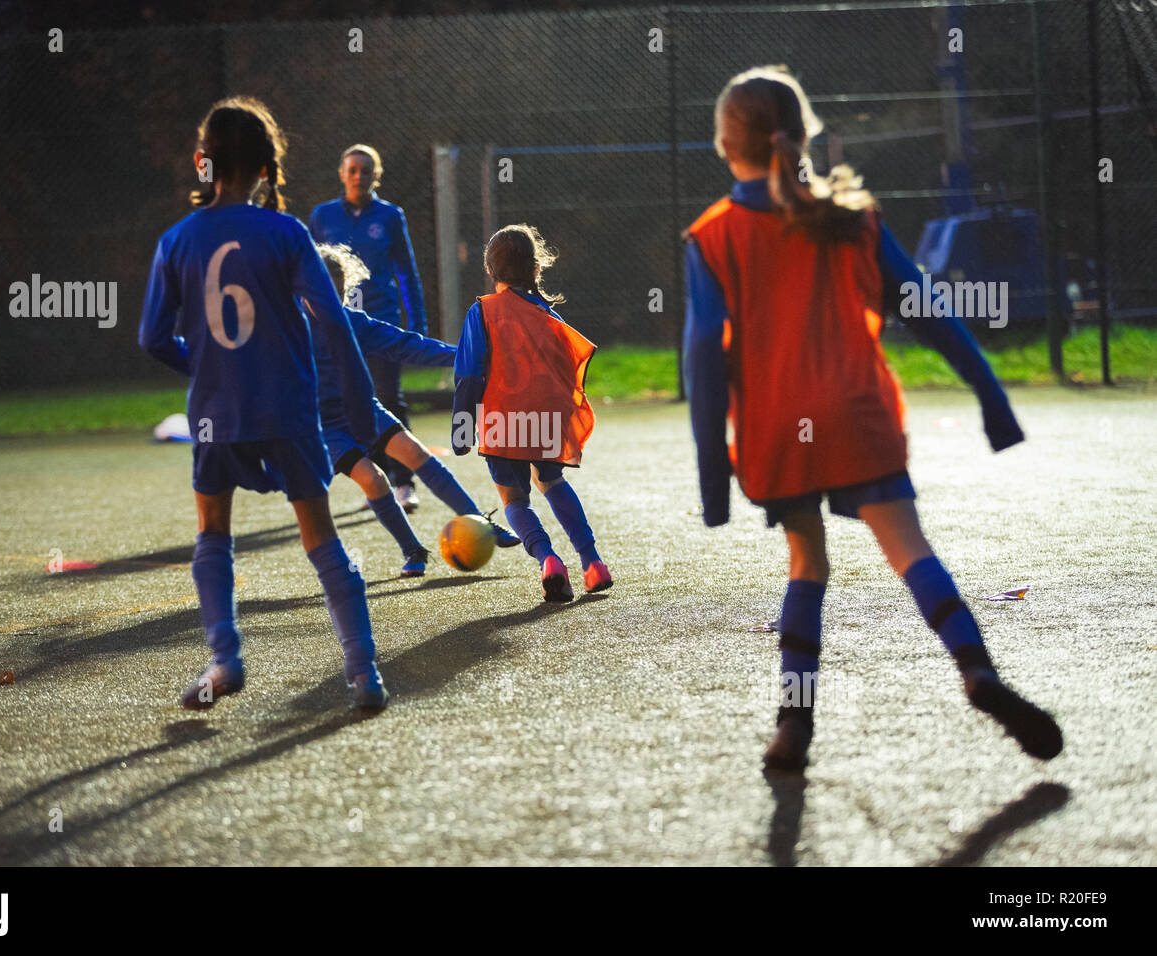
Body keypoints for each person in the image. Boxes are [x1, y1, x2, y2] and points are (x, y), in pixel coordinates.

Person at [684, 66, 1062, 770]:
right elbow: (929, 312)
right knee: (911, 551)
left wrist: (713, 481)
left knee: (808, 564)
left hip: (780, 432)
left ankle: (794, 723)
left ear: (725, 146)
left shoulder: (711, 237)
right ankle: (979, 672)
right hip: (860, 418)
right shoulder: (854, 219)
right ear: (801, 137)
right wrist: (992, 397)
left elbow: (704, 355)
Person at [139, 97, 387, 711]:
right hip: (288, 411)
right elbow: (334, 322)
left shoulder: (176, 240)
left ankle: (225, 660)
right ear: (267, 166)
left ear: (205, 163)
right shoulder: (287, 232)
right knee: (320, 537)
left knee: (213, 533)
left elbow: (150, 337)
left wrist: (203, 366)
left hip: (214, 415)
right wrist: (360, 408)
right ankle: (363, 674)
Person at [309, 243, 519, 578]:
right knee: (374, 479)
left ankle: (480, 521)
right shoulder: (290, 328)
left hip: (363, 408)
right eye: (320, 287)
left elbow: (409, 345)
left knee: (416, 454)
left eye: (337, 289)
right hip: (322, 425)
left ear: (344, 289)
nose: (329, 296)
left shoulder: (353, 322)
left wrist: (465, 354)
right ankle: (413, 549)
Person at [452, 224, 611, 603]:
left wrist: (462, 428)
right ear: (536, 269)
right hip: (545, 418)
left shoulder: (483, 311)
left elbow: (469, 375)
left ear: (490, 270)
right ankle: (593, 563)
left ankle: (548, 560)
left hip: (503, 421)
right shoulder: (548, 314)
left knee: (515, 501)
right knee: (552, 482)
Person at [309, 145, 428, 513]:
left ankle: (404, 483)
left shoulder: (391, 216)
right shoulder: (322, 216)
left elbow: (406, 271)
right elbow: (311, 271)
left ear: (376, 174)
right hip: (337, 326)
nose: (358, 175)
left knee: (388, 397)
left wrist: (417, 322)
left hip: (380, 321)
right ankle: (373, 482)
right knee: (351, 401)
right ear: (342, 174)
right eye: (352, 169)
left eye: (366, 170)